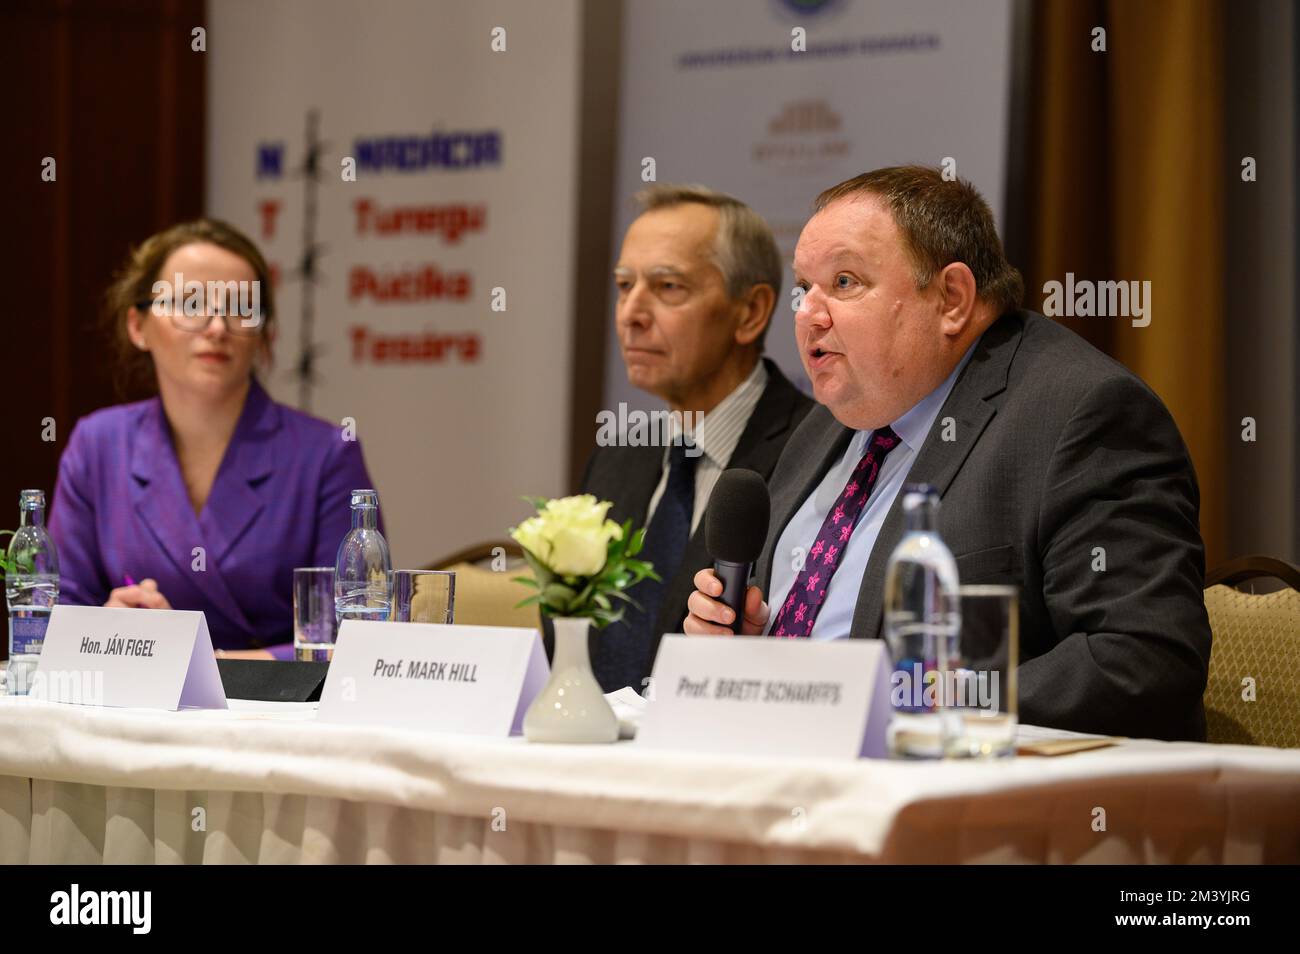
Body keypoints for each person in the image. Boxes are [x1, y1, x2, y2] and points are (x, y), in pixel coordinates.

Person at [684, 166, 1211, 742]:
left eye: (844, 282)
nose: (809, 313)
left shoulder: (1081, 416)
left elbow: (1142, 661)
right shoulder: (824, 427)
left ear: (952, 298)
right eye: (804, 288)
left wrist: (911, 705)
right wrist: (745, 653)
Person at [49, 219, 380, 660]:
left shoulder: (326, 454)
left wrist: (200, 662)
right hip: (129, 710)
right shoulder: (97, 444)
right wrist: (111, 626)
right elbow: (54, 615)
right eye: (191, 303)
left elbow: (357, 632)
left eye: (241, 308)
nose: (217, 326)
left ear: (265, 332)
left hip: (278, 713)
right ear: (138, 326)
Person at [580, 185, 813, 692]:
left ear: (750, 312)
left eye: (667, 287)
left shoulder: (819, 451)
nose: (631, 314)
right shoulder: (616, 455)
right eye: (624, 286)